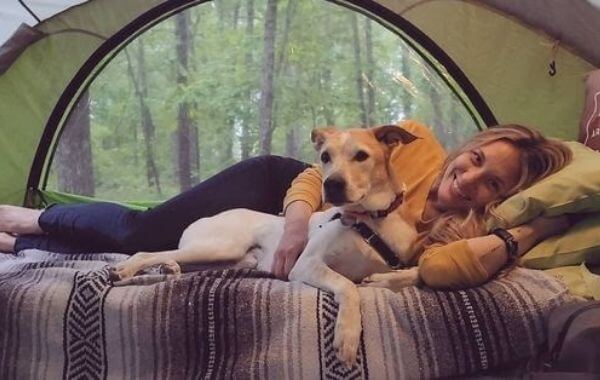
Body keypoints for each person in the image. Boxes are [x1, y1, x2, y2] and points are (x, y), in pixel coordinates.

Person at [0, 121, 572, 289]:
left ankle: (22, 244)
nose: (468, 177)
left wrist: (536, 225)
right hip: (281, 187)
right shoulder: (417, 148)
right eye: (474, 159)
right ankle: (28, 216)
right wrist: (295, 222)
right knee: (138, 230)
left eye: (491, 183)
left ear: (505, 199)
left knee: (146, 234)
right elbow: (319, 175)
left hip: (299, 216)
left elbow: (448, 265)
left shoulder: (456, 233)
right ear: (465, 149)